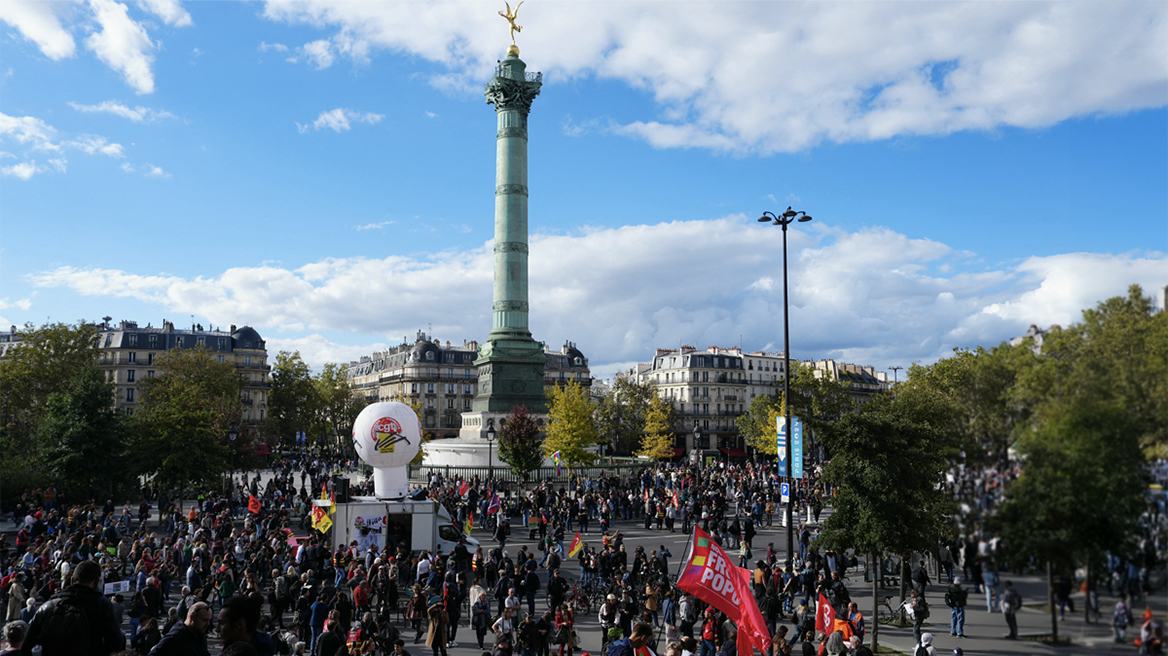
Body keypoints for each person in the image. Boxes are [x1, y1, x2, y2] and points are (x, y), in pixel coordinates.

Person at [21, 560, 125, 656]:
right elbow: (116, 643)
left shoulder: (49, 606)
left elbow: (27, 644)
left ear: (72, 580)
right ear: (96, 581)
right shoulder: (102, 605)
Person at [148, 601, 212, 656]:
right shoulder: (175, 637)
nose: (208, 624)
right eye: (204, 620)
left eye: (209, 620)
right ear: (192, 617)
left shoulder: (199, 634)